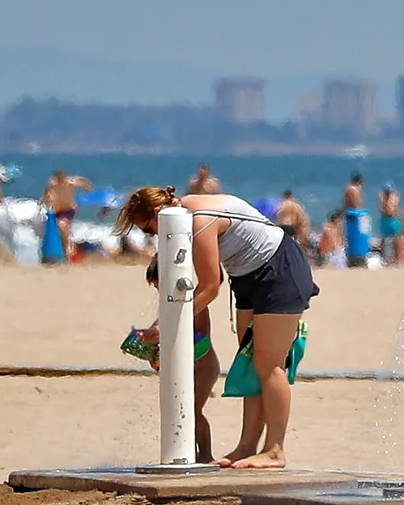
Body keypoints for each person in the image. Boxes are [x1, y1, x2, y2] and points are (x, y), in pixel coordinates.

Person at [116, 184, 318, 468]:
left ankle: (275, 449)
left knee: (268, 364)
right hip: (247, 276)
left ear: (160, 212)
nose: (152, 237)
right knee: (250, 364)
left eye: (148, 230)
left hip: (278, 270)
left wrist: (168, 324)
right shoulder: (184, 210)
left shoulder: (199, 220)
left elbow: (211, 287)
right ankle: (247, 446)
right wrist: (164, 322)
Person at [137, 258, 221, 464]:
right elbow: (159, 330)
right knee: (180, 410)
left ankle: (206, 454)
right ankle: (189, 452)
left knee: (193, 409)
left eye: (159, 286)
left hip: (203, 365)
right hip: (187, 365)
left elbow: (199, 335)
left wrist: (160, 335)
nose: (159, 291)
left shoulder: (193, 302)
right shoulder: (168, 306)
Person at [43, 169, 93, 260]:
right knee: (62, 232)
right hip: (58, 210)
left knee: (62, 226)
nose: (60, 181)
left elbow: (80, 180)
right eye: (58, 179)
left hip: (69, 209)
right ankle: (68, 250)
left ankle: (68, 250)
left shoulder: (69, 182)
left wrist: (88, 187)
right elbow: (47, 191)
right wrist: (45, 199)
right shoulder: (53, 184)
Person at [379, 182, 404, 264]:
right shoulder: (383, 197)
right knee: (385, 239)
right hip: (386, 220)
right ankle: (386, 258)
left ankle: (397, 258)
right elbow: (385, 209)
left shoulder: (394, 197)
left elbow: (397, 209)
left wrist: (402, 218)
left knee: (397, 239)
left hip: (392, 220)